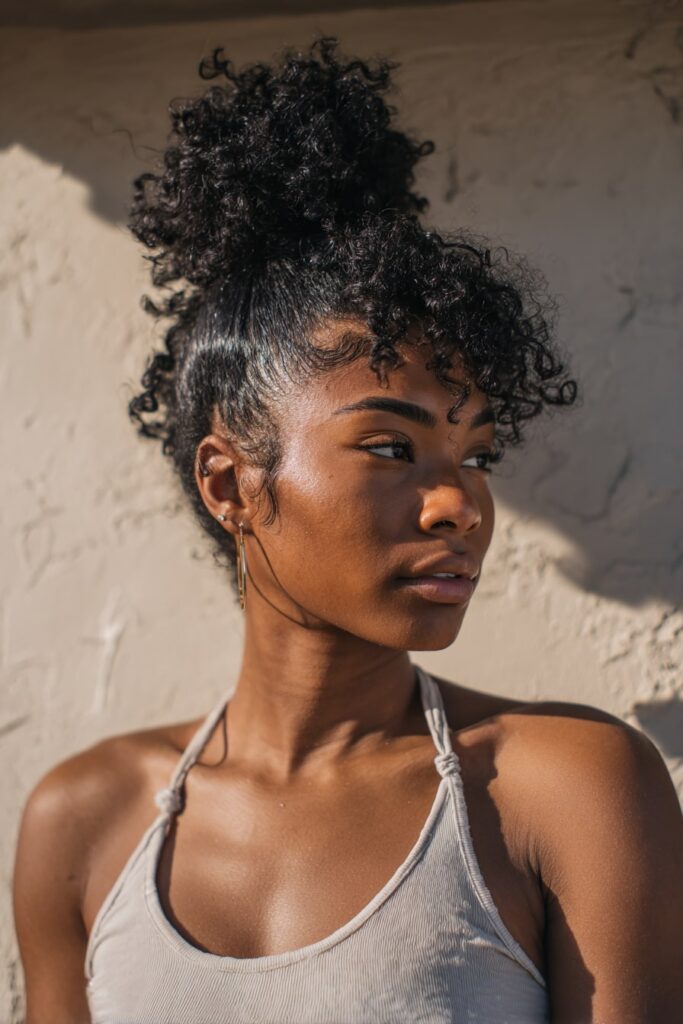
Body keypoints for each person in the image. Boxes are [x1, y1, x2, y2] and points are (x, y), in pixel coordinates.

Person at [12, 36, 682, 1024]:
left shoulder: (560, 790)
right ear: (229, 483)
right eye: (387, 448)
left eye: (477, 454)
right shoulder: (87, 819)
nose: (460, 502)